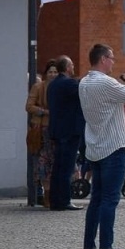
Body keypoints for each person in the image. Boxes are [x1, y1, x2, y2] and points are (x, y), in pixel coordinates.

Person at [78, 44, 125, 249]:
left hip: (96, 147)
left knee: (96, 200)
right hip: (113, 147)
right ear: (103, 59)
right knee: (110, 200)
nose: (114, 61)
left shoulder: (85, 83)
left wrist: (123, 77)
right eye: (112, 57)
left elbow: (113, 94)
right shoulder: (105, 83)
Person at [44, 57, 83, 211]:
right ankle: (65, 200)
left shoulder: (52, 85)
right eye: (72, 65)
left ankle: (55, 200)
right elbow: (83, 92)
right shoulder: (69, 83)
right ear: (67, 67)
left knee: (57, 167)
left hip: (57, 130)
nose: (73, 67)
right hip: (69, 131)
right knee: (66, 167)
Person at [25, 61, 58, 204]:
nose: (52, 74)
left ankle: (55, 194)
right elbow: (29, 106)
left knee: (56, 163)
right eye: (50, 72)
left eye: (55, 72)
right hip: (42, 131)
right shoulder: (38, 87)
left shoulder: (60, 87)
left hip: (57, 130)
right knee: (43, 163)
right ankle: (46, 196)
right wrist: (45, 112)